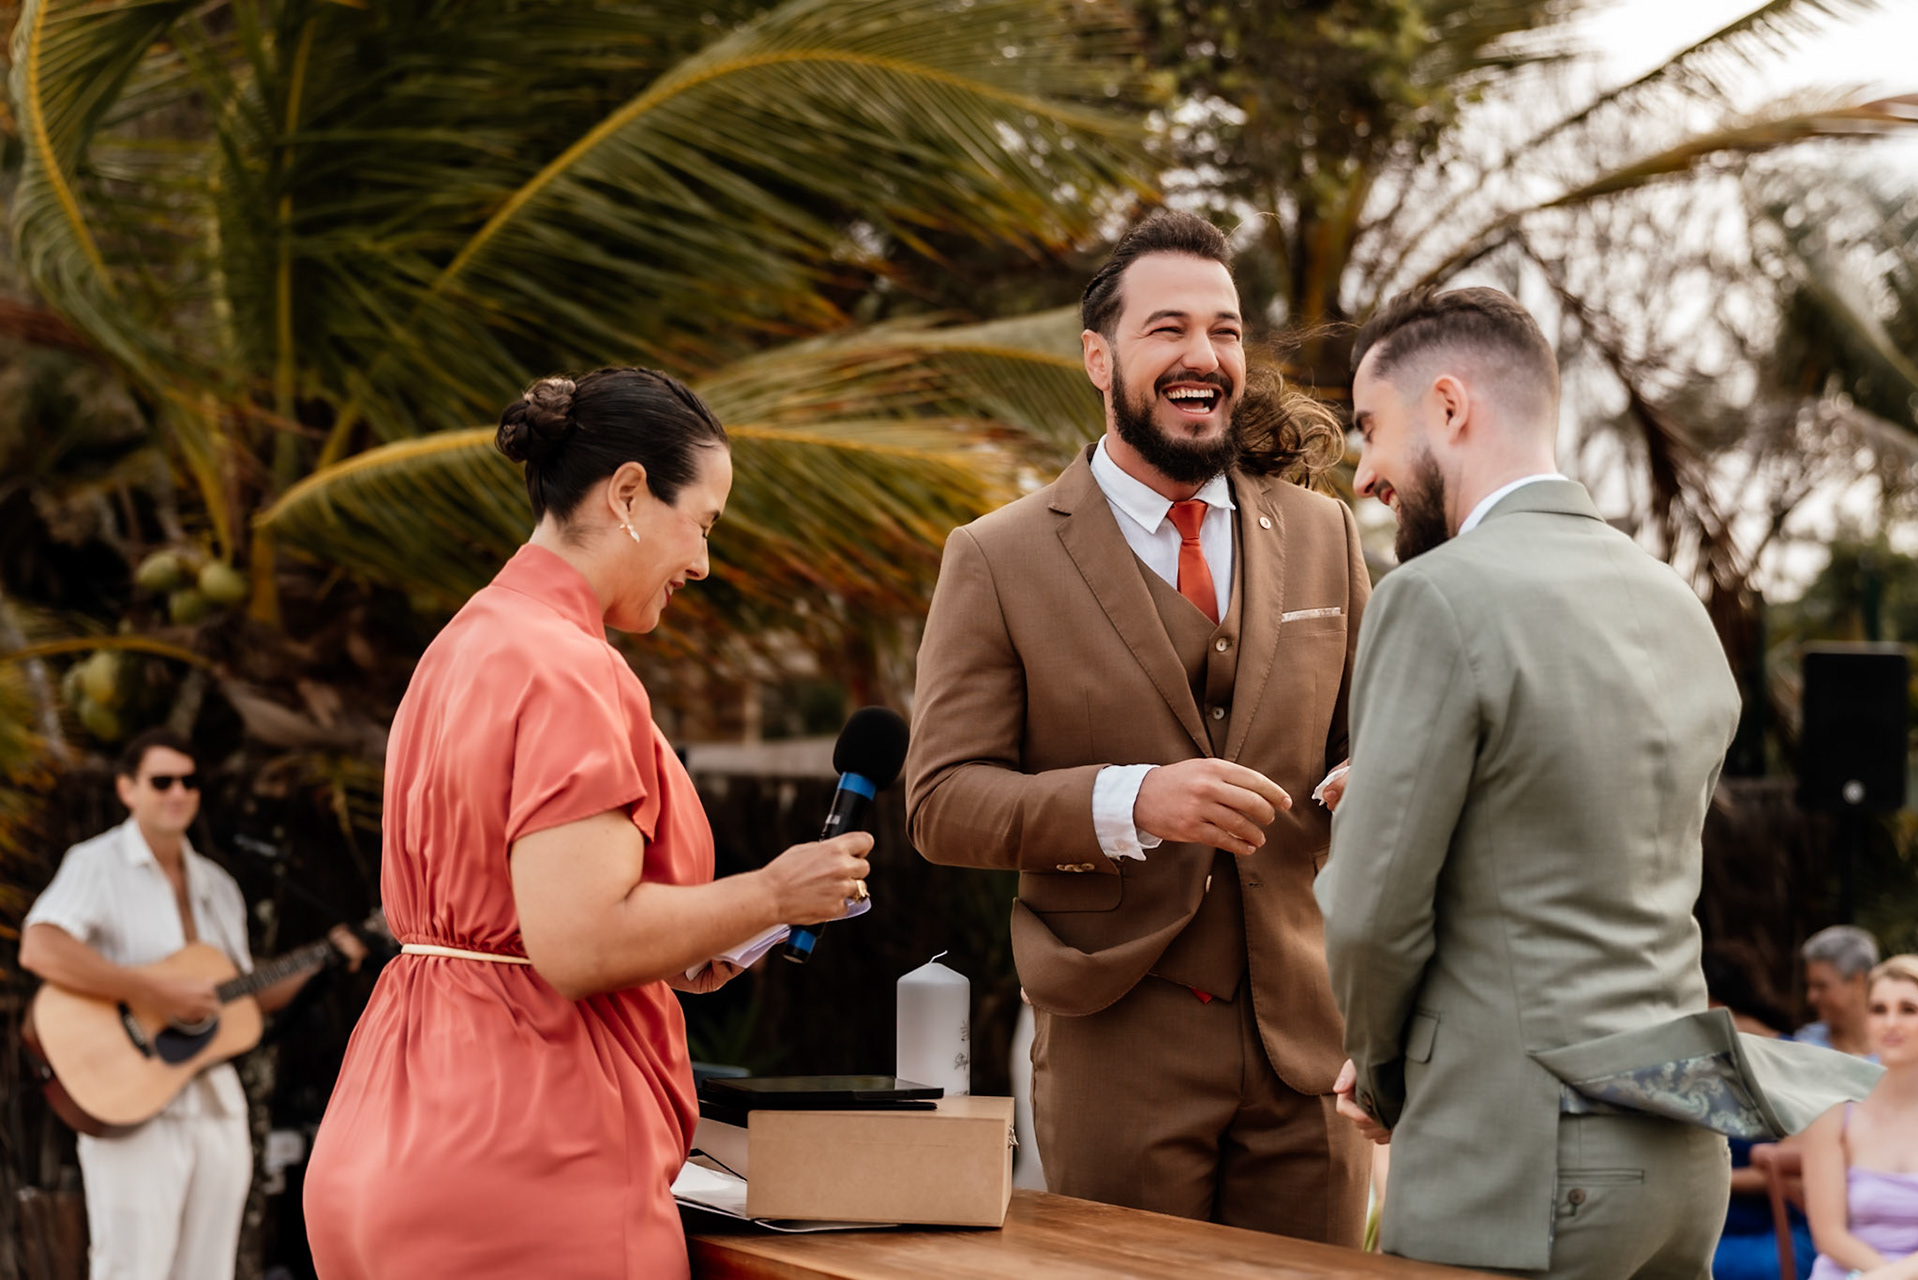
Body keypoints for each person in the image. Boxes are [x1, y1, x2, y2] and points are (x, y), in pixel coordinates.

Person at [301, 369, 871, 1280]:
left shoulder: (461, 646)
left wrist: (696, 936)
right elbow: (579, 943)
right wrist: (774, 893)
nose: (702, 564)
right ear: (630, 493)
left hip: (385, 1125)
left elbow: (523, 915)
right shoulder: (572, 668)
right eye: (704, 524)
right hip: (528, 1144)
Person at [906, 210, 1372, 1243]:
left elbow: (1377, 741)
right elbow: (939, 803)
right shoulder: (997, 557)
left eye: (1225, 331)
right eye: (1168, 329)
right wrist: (1133, 799)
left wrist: (1379, 772)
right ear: (1098, 358)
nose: (1204, 355)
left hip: (1309, 1042)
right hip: (1117, 1041)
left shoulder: (1324, 531)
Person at [1316, 285, 1744, 1277]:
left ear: (1449, 405)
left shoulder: (1434, 596)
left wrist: (1381, 1077)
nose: (1366, 471)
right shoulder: (1673, 602)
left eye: (1371, 428)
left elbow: (1374, 915)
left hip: (1520, 1159)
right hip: (1684, 1148)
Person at [19, 727, 366, 1280]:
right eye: (162, 781)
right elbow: (41, 947)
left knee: (209, 1269)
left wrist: (326, 957)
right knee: (132, 1268)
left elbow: (241, 996)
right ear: (128, 789)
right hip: (131, 1098)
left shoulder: (217, 884)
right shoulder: (96, 863)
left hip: (214, 1102)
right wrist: (152, 991)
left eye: (189, 781)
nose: (178, 792)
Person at [1804, 954, 1918, 1280]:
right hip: (1850, 1272)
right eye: (1878, 1009)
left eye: (1908, 1009)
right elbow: (1829, 1235)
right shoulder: (1835, 1106)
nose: (1890, 1022)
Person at [1705, 944, 1816, 1280]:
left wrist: (1704, 1180)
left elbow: (1792, 1170)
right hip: (1709, 1227)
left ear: (1714, 1006)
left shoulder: (1797, 1063)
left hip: (1775, 1229)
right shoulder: (1701, 1066)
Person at [1800, 926, 1881, 1057]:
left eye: (1821, 986)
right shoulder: (1806, 1046)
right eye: (1809, 986)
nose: (1811, 997)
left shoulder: (1897, 1048)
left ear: (1858, 982)